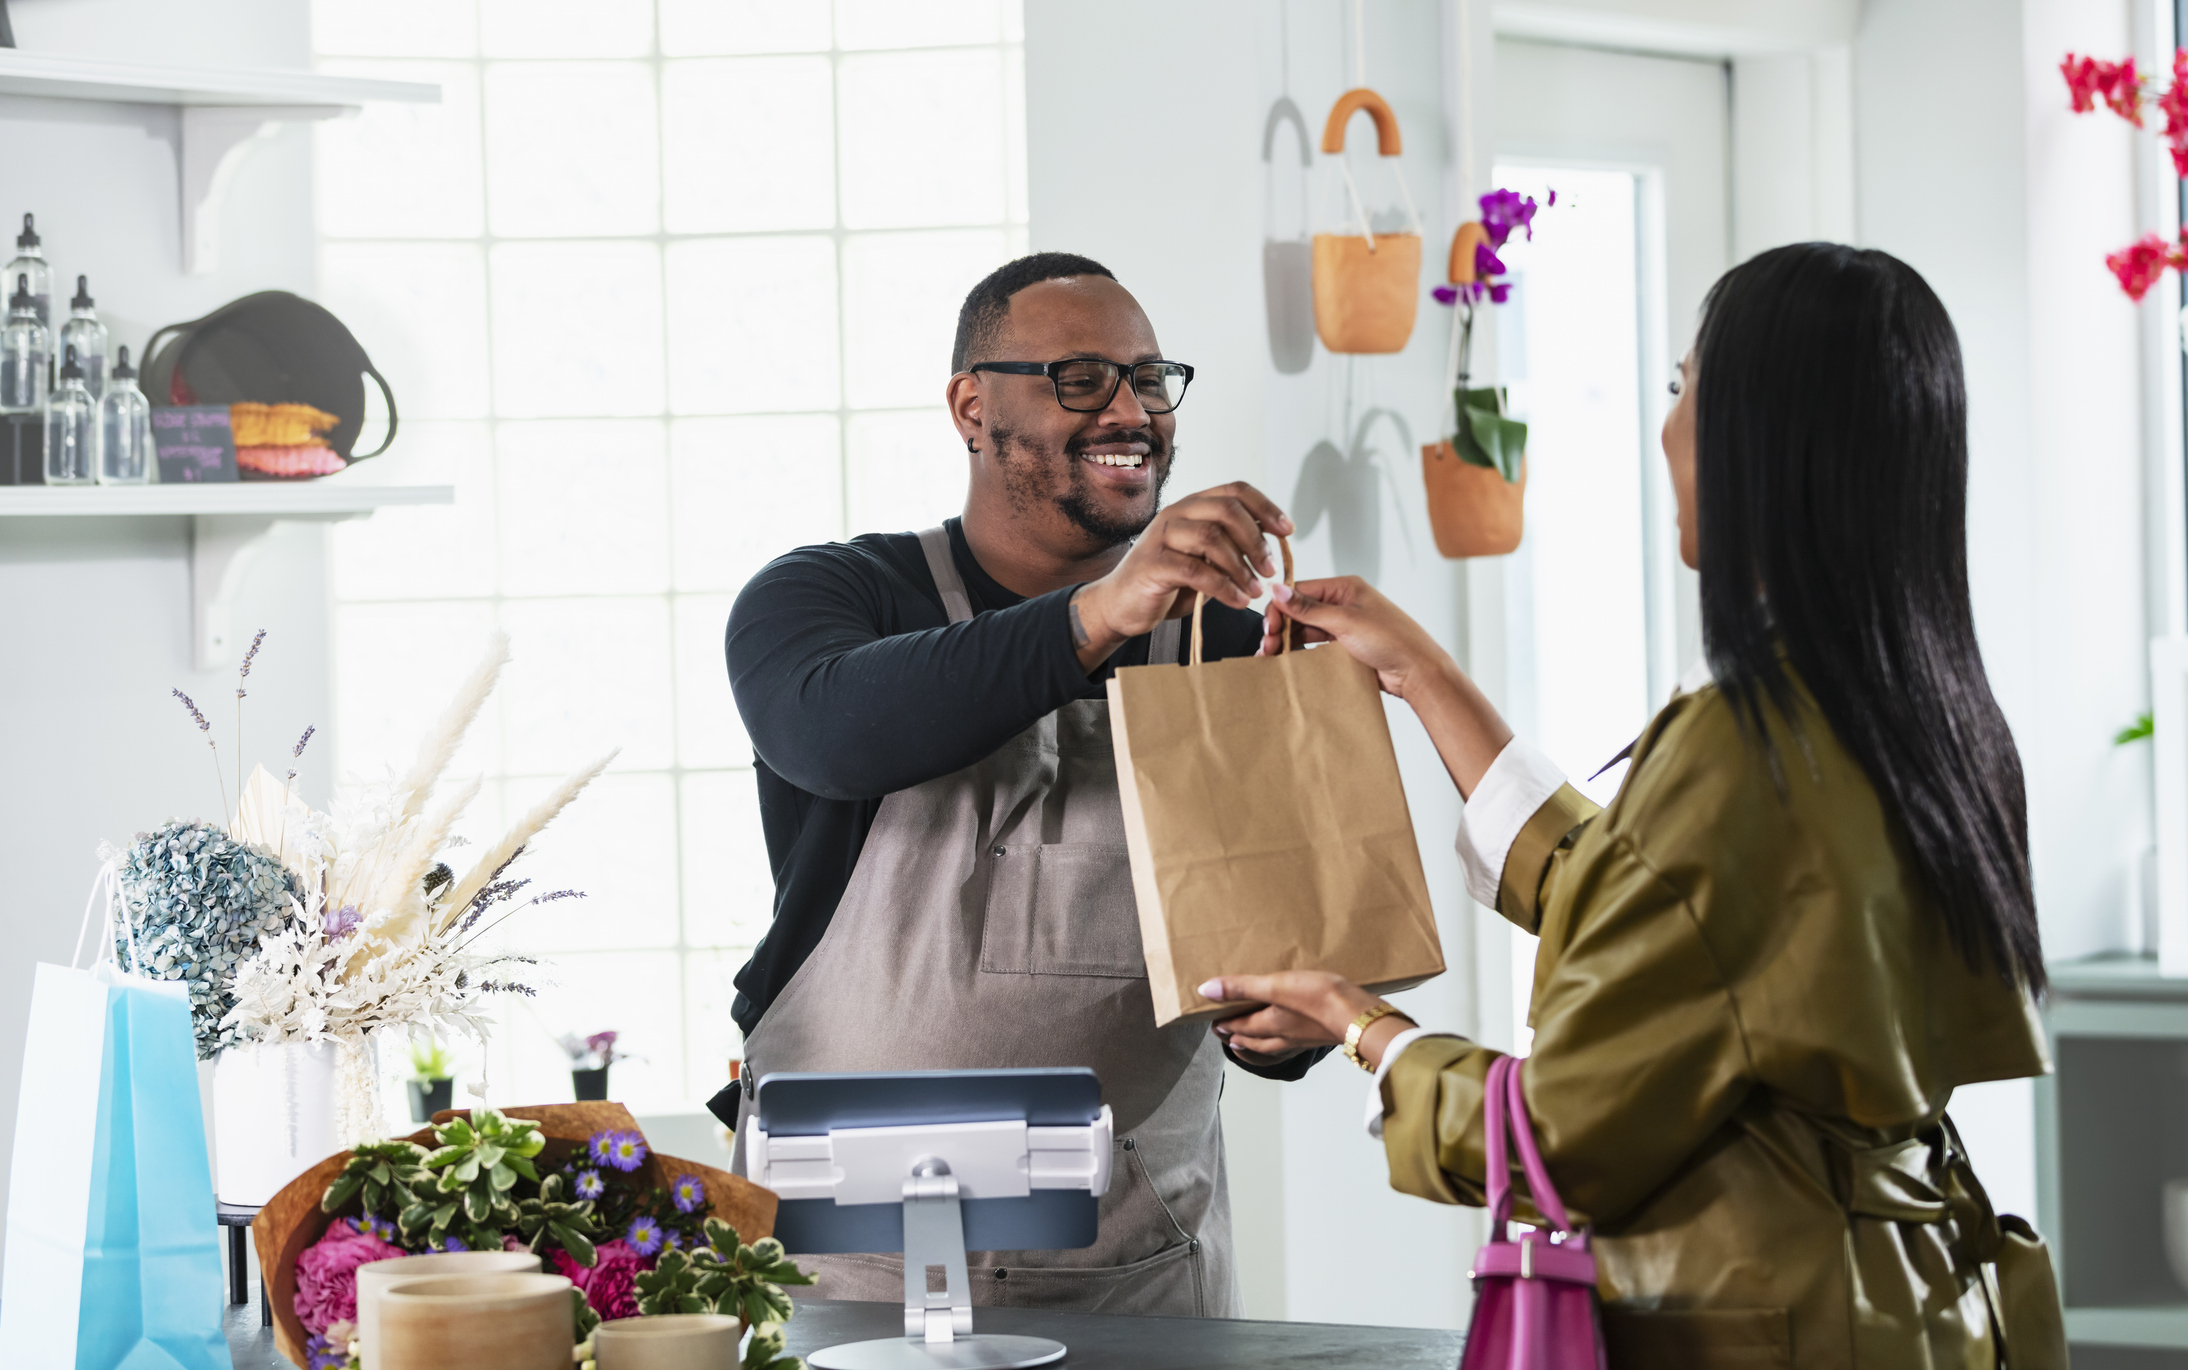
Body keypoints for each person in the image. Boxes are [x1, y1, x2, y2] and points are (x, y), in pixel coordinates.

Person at [1203, 243, 2059, 1368]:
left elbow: (1559, 1134)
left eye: (1681, 387)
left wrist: (1363, 1027)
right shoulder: (1929, 716)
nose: (1666, 430)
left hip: (1773, 1323)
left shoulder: (1741, 745)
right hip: (1916, 1305)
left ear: (1760, 439)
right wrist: (1418, 671)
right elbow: (1664, 917)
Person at [721, 252, 1321, 1317]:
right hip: (837, 1274)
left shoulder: (1228, 643)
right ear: (970, 405)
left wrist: (1291, 1019)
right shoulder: (832, 594)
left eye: (1149, 379)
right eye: (1081, 377)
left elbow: (1267, 972)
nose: (1131, 409)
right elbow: (830, 731)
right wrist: (1101, 612)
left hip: (1131, 1273)